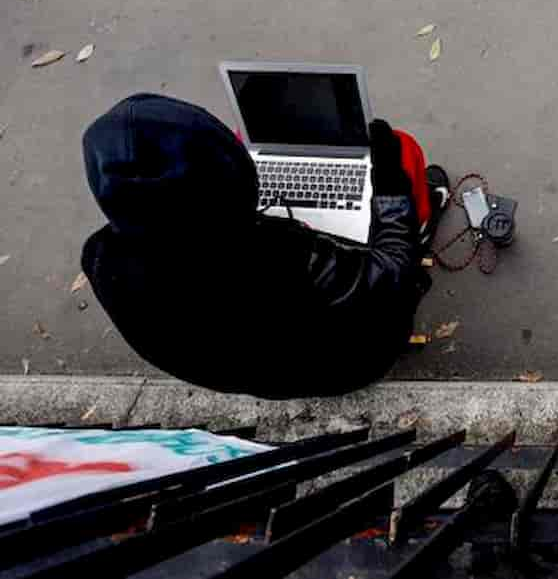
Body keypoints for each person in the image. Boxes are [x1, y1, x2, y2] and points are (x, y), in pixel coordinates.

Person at [80, 93, 450, 398]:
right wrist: (388, 186)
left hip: (255, 378)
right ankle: (422, 219)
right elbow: (391, 271)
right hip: (347, 366)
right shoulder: (289, 263)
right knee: (403, 149)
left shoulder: (100, 258)